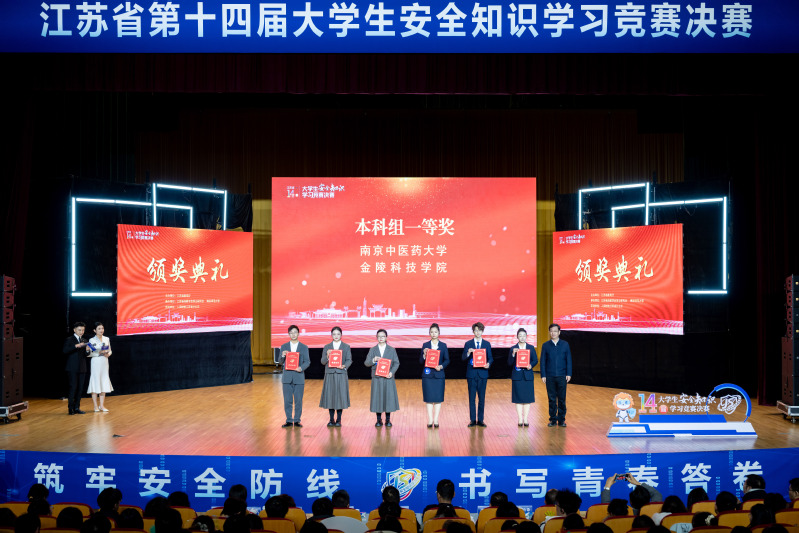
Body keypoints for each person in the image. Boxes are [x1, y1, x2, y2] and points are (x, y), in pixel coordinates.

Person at [277, 325, 311, 428]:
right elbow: (280, 361)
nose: (293, 334)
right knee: (287, 400)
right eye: (291, 333)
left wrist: (301, 368)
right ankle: (288, 420)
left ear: (298, 333)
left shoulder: (304, 347)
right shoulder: (284, 346)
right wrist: (283, 355)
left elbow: (307, 361)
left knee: (298, 400)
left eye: (295, 332)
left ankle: (297, 420)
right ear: (288, 334)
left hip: (299, 377)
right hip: (287, 377)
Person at [365, 329, 400, 428]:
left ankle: (388, 420)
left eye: (383, 336)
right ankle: (378, 419)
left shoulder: (391, 350)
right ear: (376, 337)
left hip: (388, 377)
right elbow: (366, 363)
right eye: (379, 336)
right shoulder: (373, 350)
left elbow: (396, 363)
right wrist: (373, 359)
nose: (381, 338)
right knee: (377, 398)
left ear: (386, 337)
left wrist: (391, 372)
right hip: (377, 378)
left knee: (388, 398)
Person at [320, 326, 352, 427]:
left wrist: (344, 366)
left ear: (341, 335)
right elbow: (322, 361)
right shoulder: (327, 347)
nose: (336, 336)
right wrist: (327, 355)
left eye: (338, 334)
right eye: (334, 334)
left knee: (340, 397)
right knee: (330, 396)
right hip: (329, 374)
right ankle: (331, 419)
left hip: (341, 374)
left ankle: (338, 420)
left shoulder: (346, 346)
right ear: (331, 335)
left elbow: (349, 360)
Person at [462, 322, 493, 427]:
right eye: (476, 330)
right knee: (471, 398)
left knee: (481, 398)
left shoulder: (487, 344)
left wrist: (488, 364)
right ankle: (472, 420)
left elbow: (491, 358)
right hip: (471, 374)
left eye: (479, 330)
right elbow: (463, 358)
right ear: (473, 331)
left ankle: (480, 420)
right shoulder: (468, 344)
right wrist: (468, 353)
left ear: (482, 331)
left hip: (483, 374)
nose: (478, 332)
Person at [540, 323, 571, 427]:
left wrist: (569, 373)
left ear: (559, 332)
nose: (553, 333)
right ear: (549, 332)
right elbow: (543, 361)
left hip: (562, 376)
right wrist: (543, 375)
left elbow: (568, 360)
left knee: (562, 399)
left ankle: (561, 420)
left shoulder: (565, 344)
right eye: (551, 331)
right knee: (552, 399)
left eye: (555, 331)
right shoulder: (545, 345)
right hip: (550, 376)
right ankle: (553, 419)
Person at [420, 323, 450, 428]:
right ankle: (430, 419)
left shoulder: (443, 345)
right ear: (429, 333)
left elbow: (447, 360)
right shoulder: (425, 345)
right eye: (432, 332)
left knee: (438, 398)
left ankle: (436, 419)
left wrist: (441, 366)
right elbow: (420, 361)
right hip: (427, 376)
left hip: (439, 375)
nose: (433, 334)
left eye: (435, 332)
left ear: (439, 333)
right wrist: (424, 355)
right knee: (428, 398)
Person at [508, 327, 538, 427]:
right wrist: (513, 354)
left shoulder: (531, 347)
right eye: (520, 336)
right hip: (517, 376)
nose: (522, 337)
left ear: (526, 336)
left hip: (528, 376)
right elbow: (509, 363)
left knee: (527, 398)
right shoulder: (513, 348)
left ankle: (526, 418)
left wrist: (531, 365)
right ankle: (520, 419)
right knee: (518, 398)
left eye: (524, 335)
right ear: (517, 337)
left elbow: (535, 360)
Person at [85, 321, 113, 412]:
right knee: (95, 382)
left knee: (103, 382)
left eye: (102, 328)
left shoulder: (106, 339)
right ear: (95, 330)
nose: (101, 330)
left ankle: (102, 405)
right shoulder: (91, 340)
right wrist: (99, 352)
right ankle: (95, 406)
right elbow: (90, 353)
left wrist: (108, 354)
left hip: (104, 361)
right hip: (96, 362)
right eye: (99, 329)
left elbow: (110, 350)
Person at [63, 321, 89, 415]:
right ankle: (71, 408)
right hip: (72, 368)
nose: (81, 332)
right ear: (74, 330)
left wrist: (87, 351)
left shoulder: (85, 340)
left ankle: (77, 407)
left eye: (83, 330)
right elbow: (65, 350)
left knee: (80, 388)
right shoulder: (70, 339)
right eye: (79, 330)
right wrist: (76, 346)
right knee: (73, 387)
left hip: (82, 367)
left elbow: (86, 354)